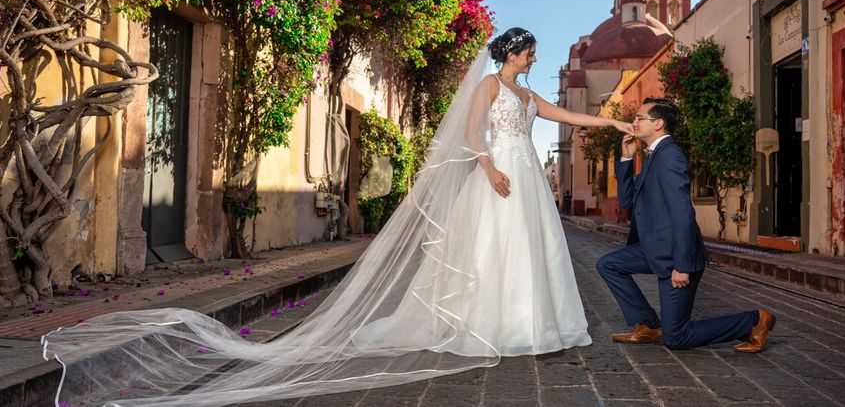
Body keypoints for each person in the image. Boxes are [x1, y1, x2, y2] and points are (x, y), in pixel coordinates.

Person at [42, 28, 631, 406]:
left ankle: (528, 323)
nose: (533, 58)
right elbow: (475, 132)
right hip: (499, 171)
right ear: (511, 52)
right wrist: (487, 166)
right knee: (487, 250)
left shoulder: (528, 98)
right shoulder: (488, 89)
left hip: (526, 173)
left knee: (527, 250)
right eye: (530, 51)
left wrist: (614, 123)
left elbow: (567, 119)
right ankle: (485, 323)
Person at [596, 98, 775, 353]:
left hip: (675, 258)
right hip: (654, 249)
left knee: (676, 337)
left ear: (658, 124)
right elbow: (627, 201)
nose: (633, 122)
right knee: (608, 264)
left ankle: (754, 321)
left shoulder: (670, 157)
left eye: (639, 118)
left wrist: (682, 264)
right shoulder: (654, 156)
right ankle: (648, 324)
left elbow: (683, 215)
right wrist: (626, 159)